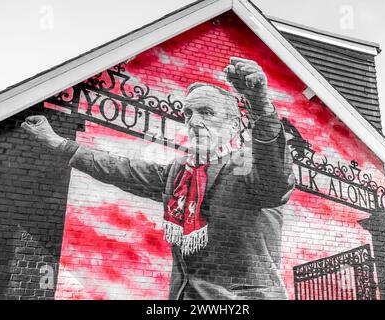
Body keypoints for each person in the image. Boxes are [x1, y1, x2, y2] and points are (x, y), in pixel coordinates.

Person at [22, 57, 295, 300]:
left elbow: (274, 175)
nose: (194, 122)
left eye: (206, 113)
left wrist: (259, 104)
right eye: (188, 113)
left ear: (234, 124)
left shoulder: (248, 166)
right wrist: (59, 143)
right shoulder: (180, 173)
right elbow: (121, 168)